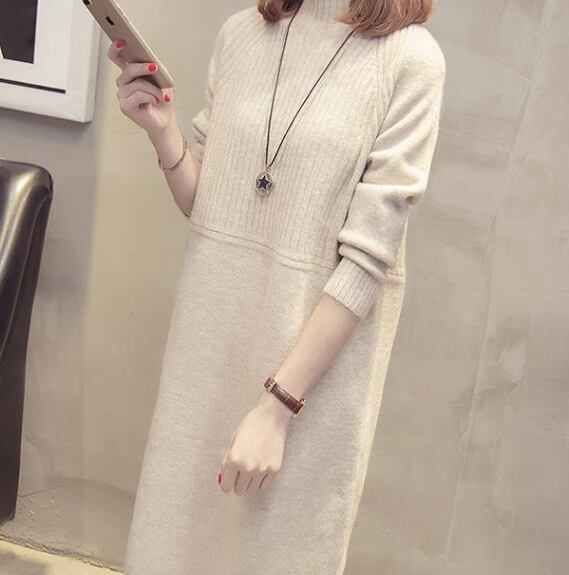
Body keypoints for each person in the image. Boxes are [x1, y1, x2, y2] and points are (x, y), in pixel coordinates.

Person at [108, 0, 446, 573]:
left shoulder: (410, 60)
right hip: (206, 357)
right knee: (174, 548)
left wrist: (276, 407)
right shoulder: (242, 34)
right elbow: (208, 203)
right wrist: (163, 133)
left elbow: (367, 263)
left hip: (307, 384)